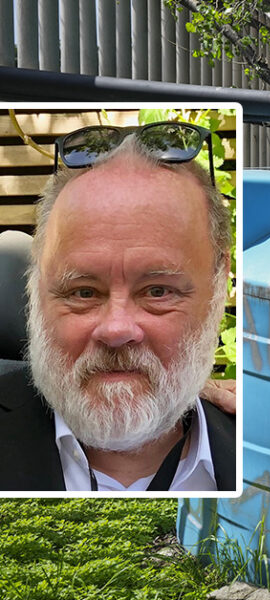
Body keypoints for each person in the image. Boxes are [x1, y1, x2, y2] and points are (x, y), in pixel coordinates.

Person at [0, 121, 236, 492]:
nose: (116, 330)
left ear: (219, 285)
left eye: (157, 291)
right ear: (35, 287)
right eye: (83, 293)